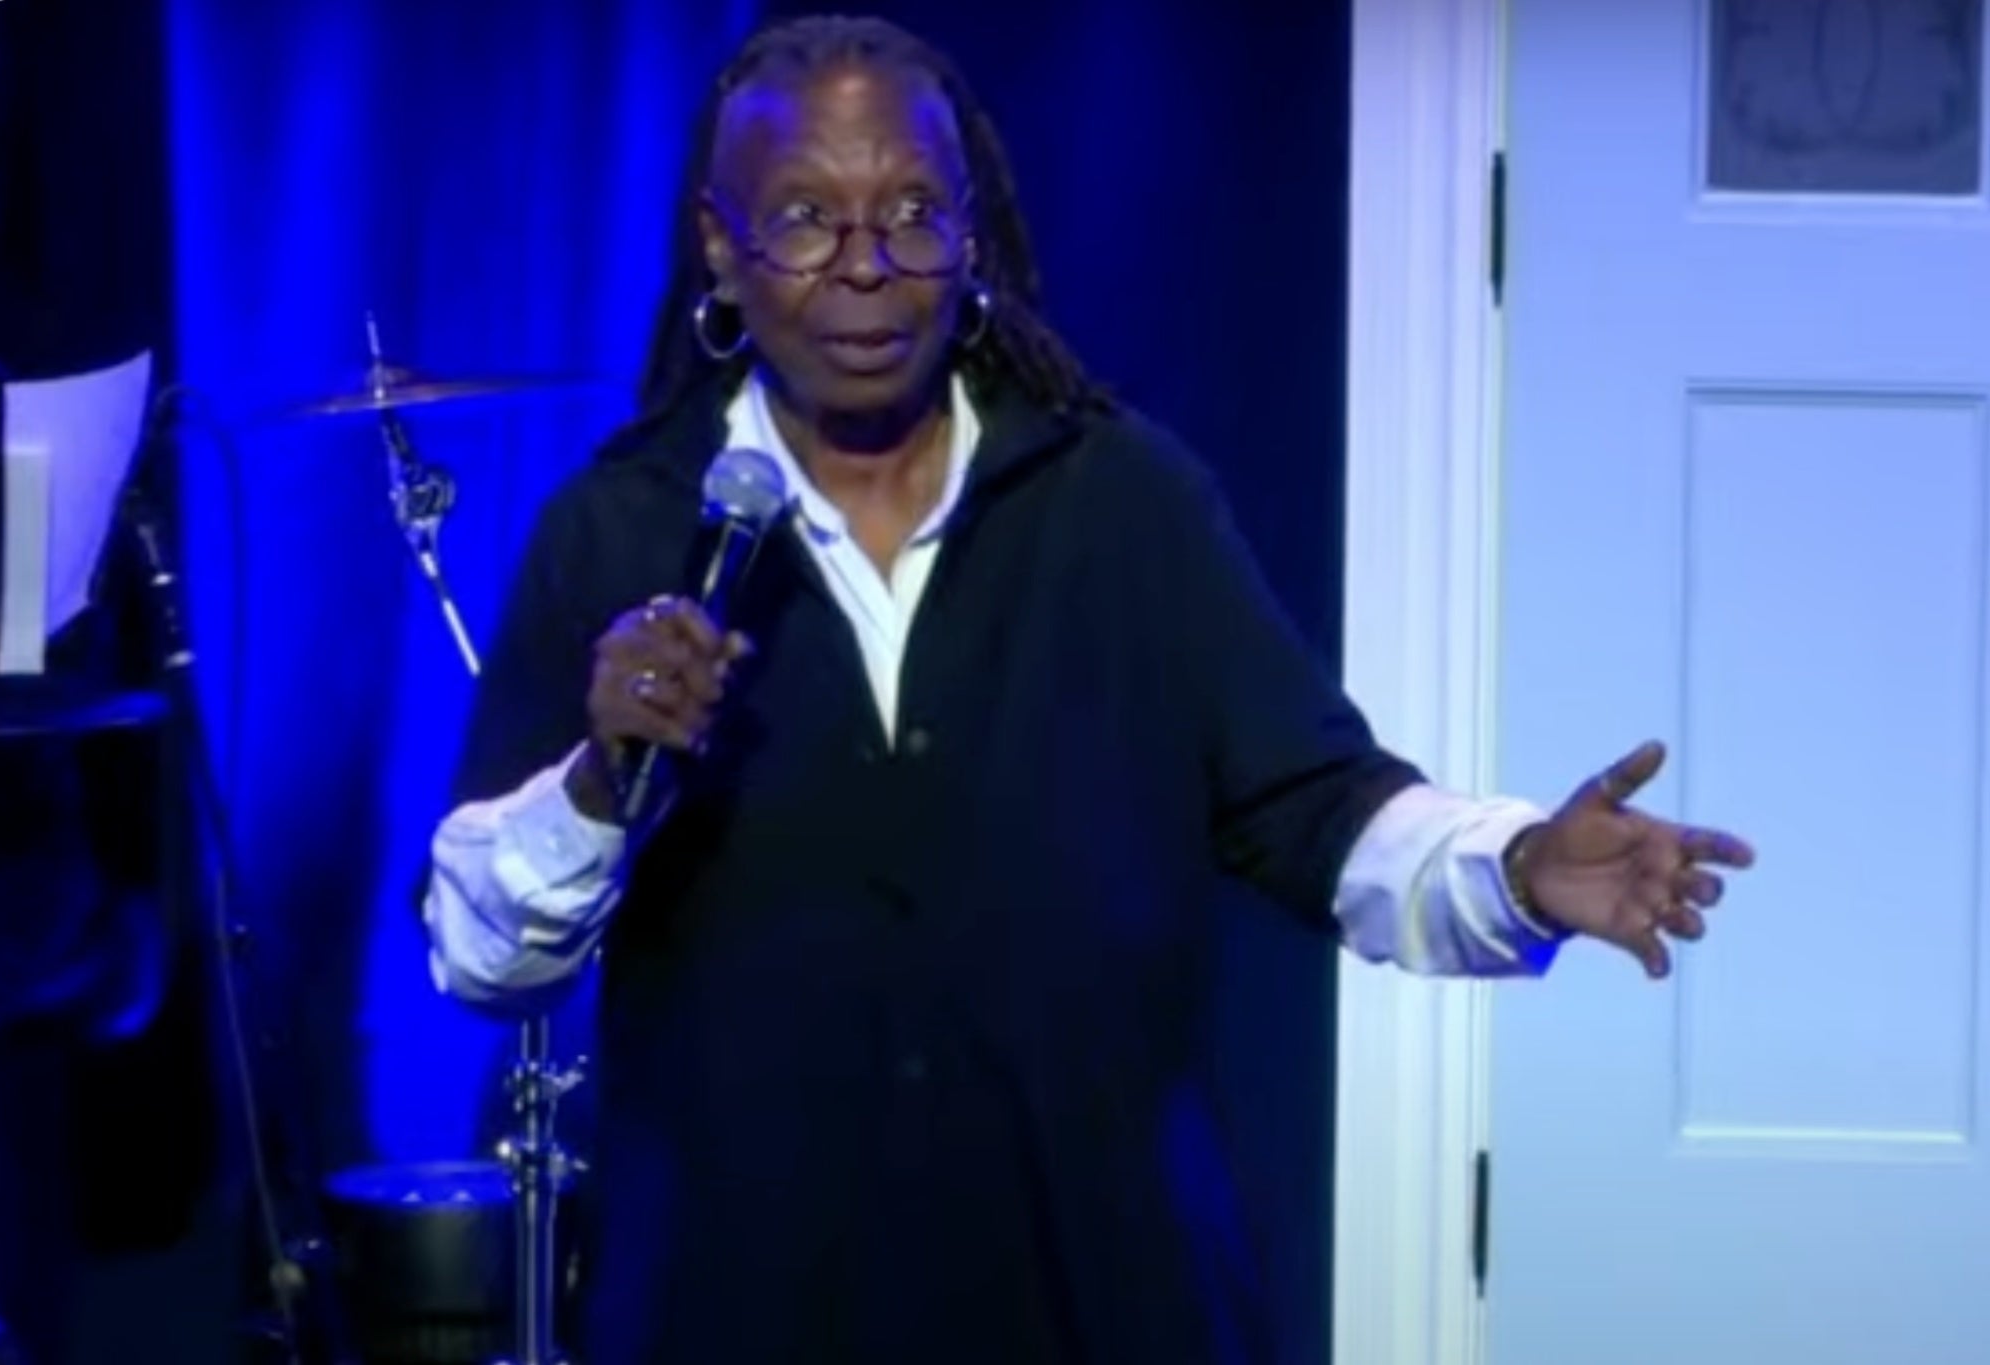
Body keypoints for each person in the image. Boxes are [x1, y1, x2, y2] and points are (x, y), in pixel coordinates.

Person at [422, 14, 1754, 1364]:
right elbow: (480, 955)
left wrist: (1521, 866)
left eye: (914, 214)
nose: (869, 267)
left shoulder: (1121, 502)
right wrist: (602, 779)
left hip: (1099, 1297)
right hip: (742, 1300)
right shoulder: (624, 530)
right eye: (809, 218)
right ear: (721, 245)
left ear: (974, 233)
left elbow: (1318, 808)